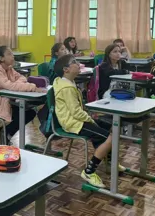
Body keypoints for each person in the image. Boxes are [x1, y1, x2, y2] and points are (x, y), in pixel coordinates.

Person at [52, 55, 125, 188]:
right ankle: (89, 172)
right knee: (109, 137)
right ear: (66, 69)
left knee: (110, 127)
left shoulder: (67, 82)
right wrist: (91, 119)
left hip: (77, 119)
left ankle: (110, 162)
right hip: (73, 123)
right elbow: (75, 112)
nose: (78, 64)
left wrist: (91, 118)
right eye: (74, 62)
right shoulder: (67, 88)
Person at [0, 46, 44, 144]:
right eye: (9, 54)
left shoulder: (9, 68)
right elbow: (11, 86)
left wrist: (16, 84)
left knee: (30, 112)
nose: (13, 56)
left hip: (6, 100)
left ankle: (6, 132)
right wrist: (32, 87)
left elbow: (22, 78)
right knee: (25, 113)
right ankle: (6, 132)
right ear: (1, 58)